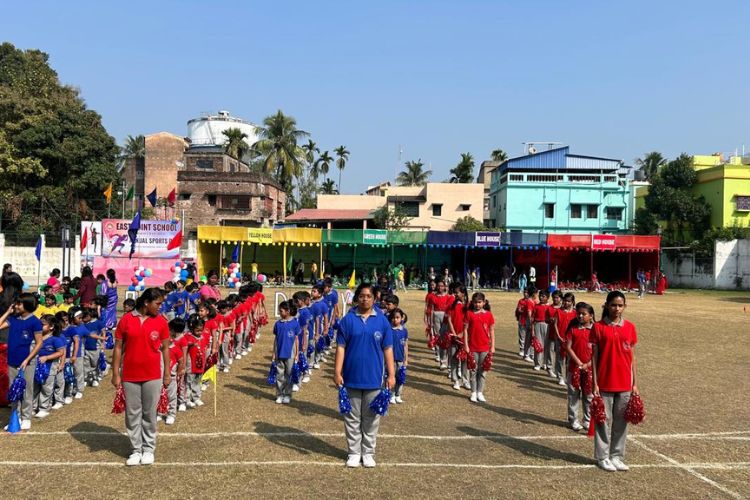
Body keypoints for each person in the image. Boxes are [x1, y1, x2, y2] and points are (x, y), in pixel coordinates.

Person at [334, 283, 395, 468]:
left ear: (374, 299)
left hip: (374, 378)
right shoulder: (347, 320)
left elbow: (388, 349)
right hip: (351, 376)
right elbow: (341, 348)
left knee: (371, 418)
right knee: (352, 418)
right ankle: (354, 452)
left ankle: (368, 452)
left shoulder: (382, 321)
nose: (365, 299)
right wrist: (337, 371)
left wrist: (391, 374)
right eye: (361, 296)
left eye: (368, 296)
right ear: (356, 297)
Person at [111, 287, 170, 466]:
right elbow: (118, 348)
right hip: (130, 374)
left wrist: (167, 372)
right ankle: (136, 450)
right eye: (157, 303)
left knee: (149, 413)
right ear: (146, 302)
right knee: (132, 413)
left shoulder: (161, 322)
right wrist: (115, 373)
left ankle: (148, 449)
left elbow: (166, 348)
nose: (160, 307)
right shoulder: (126, 320)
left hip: (153, 374)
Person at [591, 291, 639, 472]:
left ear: (624, 306)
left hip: (625, 383)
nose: (617, 308)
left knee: (621, 422)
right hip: (604, 383)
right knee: (603, 421)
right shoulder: (598, 327)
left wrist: (634, 383)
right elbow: (594, 357)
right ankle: (602, 457)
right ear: (606, 305)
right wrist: (595, 382)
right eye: (613, 305)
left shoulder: (630, 328)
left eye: (620, 305)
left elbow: (632, 357)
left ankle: (617, 456)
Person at [0, 293, 44, 430]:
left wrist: (27, 359)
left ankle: (26, 417)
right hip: (12, 360)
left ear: (28, 305)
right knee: (14, 390)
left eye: (19, 304)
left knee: (27, 390)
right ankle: (15, 416)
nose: (16, 306)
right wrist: (8, 312)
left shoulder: (35, 322)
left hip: (27, 362)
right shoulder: (13, 319)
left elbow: (39, 343)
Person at [566, 302, 595, 432]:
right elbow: (568, 347)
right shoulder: (573, 329)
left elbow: (598, 350)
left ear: (591, 315)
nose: (581, 316)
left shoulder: (595, 330)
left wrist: (588, 364)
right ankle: (573, 419)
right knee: (574, 394)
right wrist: (579, 363)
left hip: (590, 368)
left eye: (584, 314)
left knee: (588, 395)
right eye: (578, 313)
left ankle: (587, 419)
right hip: (574, 368)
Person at [463, 292, 495, 403]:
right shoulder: (469, 314)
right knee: (473, 370)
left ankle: (480, 392)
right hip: (472, 347)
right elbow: (465, 330)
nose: (478, 305)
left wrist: (492, 346)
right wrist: (466, 345)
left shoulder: (488, 315)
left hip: (485, 347)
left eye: (480, 302)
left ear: (484, 302)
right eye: (476, 302)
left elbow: (491, 330)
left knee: (483, 371)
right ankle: (473, 392)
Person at [33, 315, 65, 419]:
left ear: (51, 327)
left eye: (42, 325)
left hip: (50, 367)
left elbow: (61, 352)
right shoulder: (37, 337)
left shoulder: (55, 339)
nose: (39, 326)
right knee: (34, 387)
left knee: (46, 388)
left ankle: (44, 408)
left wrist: (47, 357)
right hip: (36, 366)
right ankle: (33, 408)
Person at [273, 300, 300, 404]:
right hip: (279, 354)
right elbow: (275, 339)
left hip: (290, 355)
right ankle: (279, 394)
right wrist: (274, 353)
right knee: (279, 375)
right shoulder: (277, 324)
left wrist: (297, 354)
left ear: (288, 311)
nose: (280, 313)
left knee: (289, 375)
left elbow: (296, 339)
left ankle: (288, 394)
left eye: (281, 311)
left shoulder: (294, 323)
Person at [163, 318, 186, 426]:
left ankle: (171, 414)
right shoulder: (160, 349)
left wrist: (180, 370)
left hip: (171, 376)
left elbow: (181, 361)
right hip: (159, 376)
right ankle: (159, 412)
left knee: (171, 396)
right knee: (159, 395)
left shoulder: (176, 349)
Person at [445, 284, 468, 390]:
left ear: (463, 293)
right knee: (454, 358)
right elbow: (449, 319)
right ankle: (455, 380)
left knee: (464, 359)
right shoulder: (453, 305)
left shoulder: (468, 306)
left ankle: (465, 379)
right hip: (454, 336)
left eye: (457, 292)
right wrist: (454, 334)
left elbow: (469, 322)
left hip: (465, 336)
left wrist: (463, 333)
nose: (455, 294)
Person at [427, 280, 454, 369]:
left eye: (442, 286)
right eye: (438, 286)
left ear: (445, 287)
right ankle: (442, 359)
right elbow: (430, 309)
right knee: (438, 337)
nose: (440, 288)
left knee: (447, 337)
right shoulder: (432, 296)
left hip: (446, 316)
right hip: (436, 315)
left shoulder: (449, 297)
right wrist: (430, 322)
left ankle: (448, 361)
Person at [552, 292, 577, 386]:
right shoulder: (559, 311)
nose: (566, 303)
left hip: (571, 340)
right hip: (560, 338)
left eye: (569, 301)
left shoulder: (575, 313)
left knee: (569, 359)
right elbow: (555, 324)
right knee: (559, 359)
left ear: (572, 302)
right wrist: (558, 336)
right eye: (565, 301)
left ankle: (568, 377)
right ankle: (560, 376)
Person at [389, 308, 408, 404]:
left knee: (400, 378)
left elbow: (405, 345)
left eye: (397, 317)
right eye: (393, 317)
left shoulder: (404, 331)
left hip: (400, 359)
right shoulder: (388, 330)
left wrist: (406, 359)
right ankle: (391, 395)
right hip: (391, 360)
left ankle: (398, 395)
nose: (395, 319)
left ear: (401, 318)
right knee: (391, 377)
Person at [531, 290, 551, 372]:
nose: (541, 298)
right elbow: (532, 319)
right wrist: (532, 330)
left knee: (547, 345)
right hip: (538, 325)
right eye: (540, 296)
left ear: (548, 297)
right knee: (539, 345)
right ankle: (537, 363)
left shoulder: (550, 307)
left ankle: (545, 363)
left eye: (543, 296)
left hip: (547, 325)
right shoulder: (536, 306)